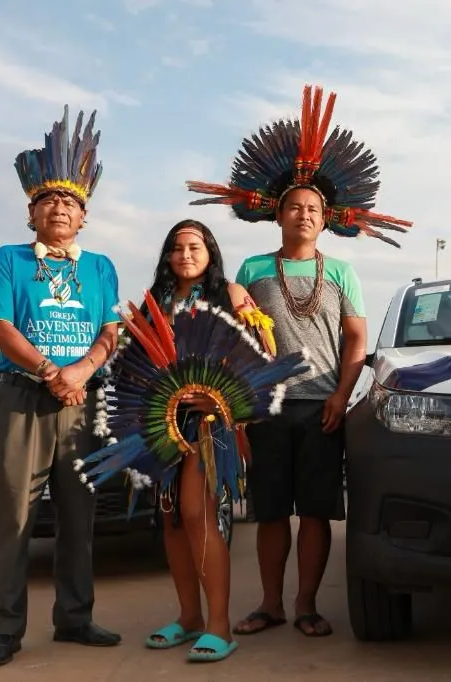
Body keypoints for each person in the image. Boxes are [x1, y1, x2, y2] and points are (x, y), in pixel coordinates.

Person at [184, 83, 413, 638]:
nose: (304, 215)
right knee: (269, 513)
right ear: (279, 215)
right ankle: (271, 604)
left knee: (313, 512)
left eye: (313, 209)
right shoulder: (254, 268)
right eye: (295, 207)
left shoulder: (342, 273)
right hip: (264, 408)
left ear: (326, 219)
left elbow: (355, 340)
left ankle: (307, 605)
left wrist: (341, 396)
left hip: (321, 409)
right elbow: (230, 329)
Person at [0, 106, 123, 668]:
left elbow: (110, 331)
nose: (59, 208)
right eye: (49, 200)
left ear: (84, 216)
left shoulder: (100, 267)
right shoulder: (9, 259)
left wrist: (80, 372)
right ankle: (4, 628)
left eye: (70, 202)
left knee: (80, 514)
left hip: (83, 400)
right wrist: (51, 372)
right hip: (23, 398)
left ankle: (75, 618)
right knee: (14, 516)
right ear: (31, 211)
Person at [136, 219, 275, 662]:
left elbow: (262, 354)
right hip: (162, 422)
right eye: (177, 248)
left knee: (198, 514)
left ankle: (219, 625)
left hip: (211, 421)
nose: (185, 255)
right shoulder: (155, 301)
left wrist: (221, 398)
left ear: (210, 252)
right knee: (172, 518)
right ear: (167, 256)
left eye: (194, 247)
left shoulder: (231, 294)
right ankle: (189, 616)